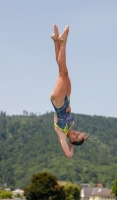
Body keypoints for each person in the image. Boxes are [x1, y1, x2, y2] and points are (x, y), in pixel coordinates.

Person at [50, 25, 89, 159]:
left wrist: (72, 146)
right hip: (67, 98)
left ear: (72, 141)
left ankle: (63, 41)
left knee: (64, 72)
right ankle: (56, 40)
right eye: (79, 134)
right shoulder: (71, 124)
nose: (77, 134)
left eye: (76, 137)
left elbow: (68, 155)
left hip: (58, 101)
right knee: (63, 70)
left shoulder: (61, 133)